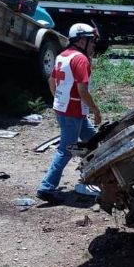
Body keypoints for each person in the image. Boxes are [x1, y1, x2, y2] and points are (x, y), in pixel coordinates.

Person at [37, 22, 102, 204]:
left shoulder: (62, 56)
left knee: (94, 142)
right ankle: (46, 187)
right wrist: (96, 111)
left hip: (66, 109)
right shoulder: (81, 59)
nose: (94, 45)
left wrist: (58, 99)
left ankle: (92, 176)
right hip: (73, 112)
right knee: (65, 150)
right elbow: (83, 91)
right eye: (92, 41)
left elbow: (52, 80)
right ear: (81, 40)